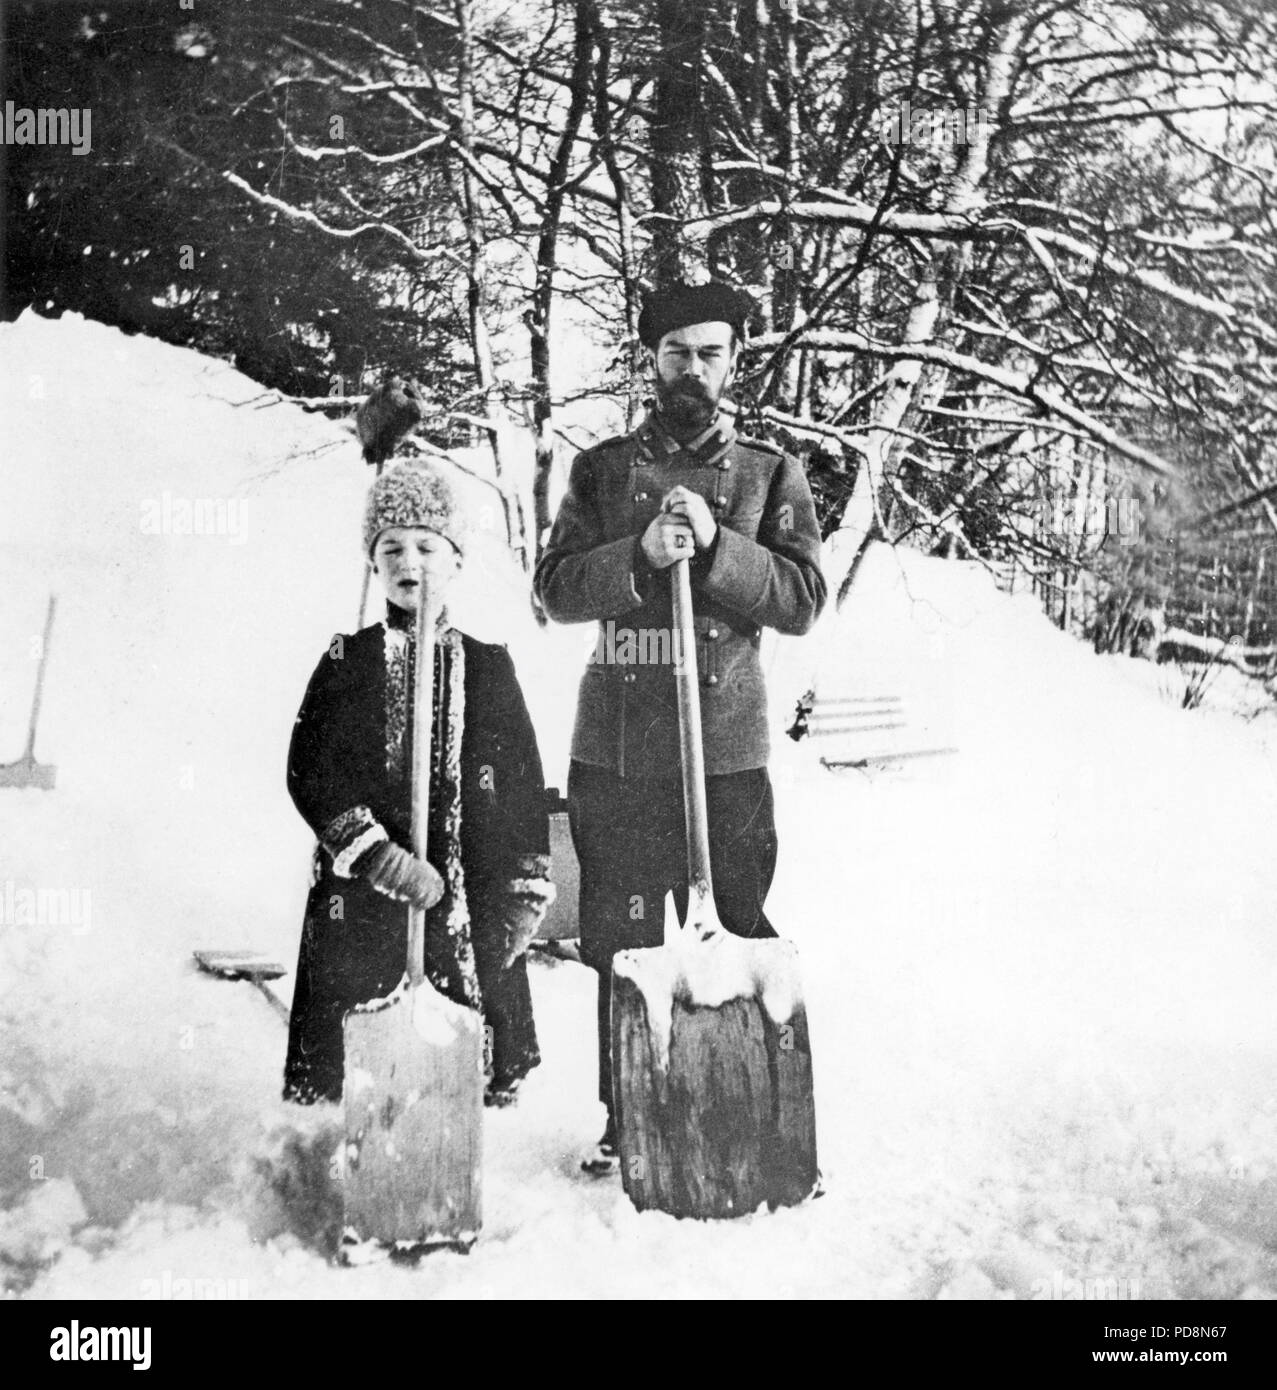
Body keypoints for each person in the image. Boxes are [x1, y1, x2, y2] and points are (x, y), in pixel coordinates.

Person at [533, 280, 826, 1173]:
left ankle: (757, 1108)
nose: (691, 370)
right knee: (621, 940)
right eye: (674, 353)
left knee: (738, 925)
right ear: (650, 362)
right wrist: (635, 556)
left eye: (708, 352)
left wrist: (718, 550)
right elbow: (550, 591)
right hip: (617, 753)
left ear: (733, 361)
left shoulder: (772, 473)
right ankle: (630, 1117)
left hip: (726, 753)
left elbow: (803, 598)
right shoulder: (599, 469)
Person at [283, 459, 555, 1108]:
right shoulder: (347, 661)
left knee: (460, 1040)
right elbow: (311, 769)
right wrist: (377, 856)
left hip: (471, 895)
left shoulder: (489, 667)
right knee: (361, 1048)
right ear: (373, 565)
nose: (411, 560)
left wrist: (522, 890)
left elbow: (522, 785)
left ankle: (446, 1145)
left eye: (428, 545)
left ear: (456, 559)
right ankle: (350, 1137)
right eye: (391, 548)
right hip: (366, 900)